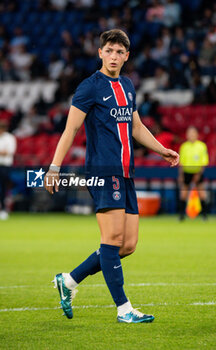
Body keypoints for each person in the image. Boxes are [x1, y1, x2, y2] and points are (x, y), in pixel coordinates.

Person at [44, 29, 179, 323]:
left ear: (126, 56)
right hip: (104, 171)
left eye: (120, 52)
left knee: (127, 245)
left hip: (126, 172)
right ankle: (124, 309)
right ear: (100, 52)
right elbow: (71, 130)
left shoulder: (128, 86)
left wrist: (161, 150)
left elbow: (137, 127)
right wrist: (54, 167)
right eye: (109, 50)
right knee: (112, 238)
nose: (114, 56)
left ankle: (68, 281)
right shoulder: (89, 87)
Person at [178, 126, 209, 221]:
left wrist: (199, 174)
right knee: (183, 193)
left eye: (193, 133)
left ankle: (204, 215)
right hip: (187, 172)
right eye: (189, 133)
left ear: (197, 135)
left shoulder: (202, 146)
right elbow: (181, 162)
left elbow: (204, 162)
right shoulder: (184, 146)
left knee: (202, 193)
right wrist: (181, 175)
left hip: (197, 172)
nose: (191, 135)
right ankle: (181, 215)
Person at [0, 120, 16, 220]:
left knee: (3, 188)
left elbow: (9, 152)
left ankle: (3, 210)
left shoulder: (10, 138)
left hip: (5, 166)